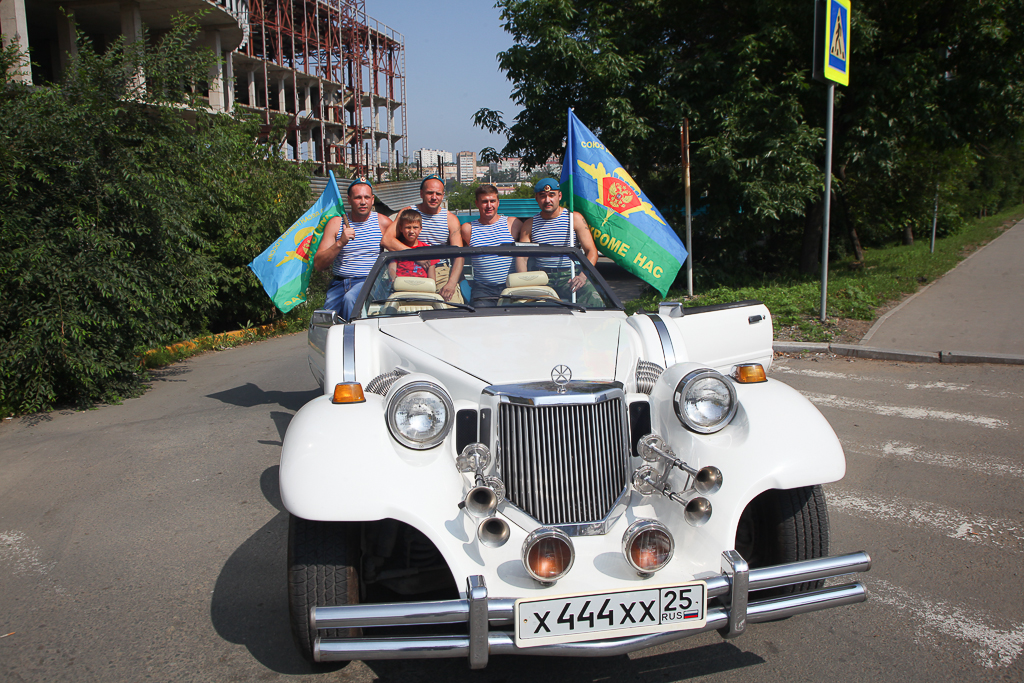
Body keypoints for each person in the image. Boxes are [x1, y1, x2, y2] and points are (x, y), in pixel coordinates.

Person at [518, 177, 604, 307]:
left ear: (560, 196)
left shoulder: (574, 218)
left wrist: (583, 276)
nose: (547, 200)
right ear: (536, 198)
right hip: (542, 277)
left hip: (570, 275)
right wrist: (524, 282)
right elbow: (522, 258)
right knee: (523, 306)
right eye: (542, 196)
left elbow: (591, 251)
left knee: (595, 301)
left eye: (552, 195)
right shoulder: (529, 225)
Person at [314, 178, 392, 319]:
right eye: (358, 197)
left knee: (350, 299)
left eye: (367, 197)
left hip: (369, 281)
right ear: (349, 200)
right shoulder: (336, 223)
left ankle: (355, 339)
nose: (363, 202)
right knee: (326, 322)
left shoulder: (383, 222)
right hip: (339, 283)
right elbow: (319, 264)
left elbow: (403, 246)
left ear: (372, 200)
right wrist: (340, 243)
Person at [382, 175, 464, 302]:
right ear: (421, 194)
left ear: (443, 195)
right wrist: (416, 256)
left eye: (438, 194)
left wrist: (451, 283)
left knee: (454, 309)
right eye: (429, 193)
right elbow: (387, 240)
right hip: (407, 269)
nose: (434, 197)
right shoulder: (407, 212)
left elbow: (459, 255)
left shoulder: (451, 219)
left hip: (440, 271)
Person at [459, 184, 524, 306]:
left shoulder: (513, 224)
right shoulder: (468, 229)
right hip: (483, 289)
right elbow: (458, 256)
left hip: (512, 285)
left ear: (498, 202)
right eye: (484, 202)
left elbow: (528, 253)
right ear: (477, 203)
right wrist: (462, 278)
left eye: (492, 201)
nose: (489, 206)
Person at [387, 210, 437, 281]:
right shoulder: (397, 248)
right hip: (401, 286)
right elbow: (392, 268)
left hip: (422, 287)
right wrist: (394, 279)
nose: (411, 231)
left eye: (415, 227)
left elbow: (432, 277)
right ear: (401, 228)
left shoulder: (428, 250)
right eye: (408, 227)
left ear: (420, 229)